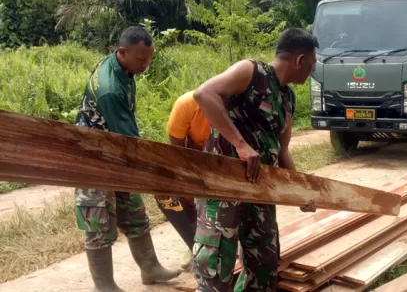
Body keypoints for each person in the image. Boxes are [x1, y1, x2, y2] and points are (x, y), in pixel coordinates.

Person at [192, 28, 319, 292]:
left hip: (260, 191)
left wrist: (299, 191)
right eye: (312, 63)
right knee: (215, 268)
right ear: (300, 60)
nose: (312, 69)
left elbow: (282, 150)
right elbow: (204, 94)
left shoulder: (287, 98)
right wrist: (241, 144)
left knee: (264, 264)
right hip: (224, 187)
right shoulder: (251, 72)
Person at [74, 26, 180, 292]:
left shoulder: (123, 68)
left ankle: (150, 268)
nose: (146, 64)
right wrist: (155, 172)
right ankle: (105, 286)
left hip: (115, 154)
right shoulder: (110, 88)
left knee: (133, 212)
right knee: (98, 225)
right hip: (92, 160)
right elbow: (129, 140)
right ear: (123, 52)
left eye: (150, 58)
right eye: (141, 59)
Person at [161, 90, 211, 268]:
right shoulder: (186, 105)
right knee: (174, 198)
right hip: (190, 155)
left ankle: (220, 245)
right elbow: (177, 152)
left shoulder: (234, 106)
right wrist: (179, 183)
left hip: (222, 157)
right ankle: (195, 244)